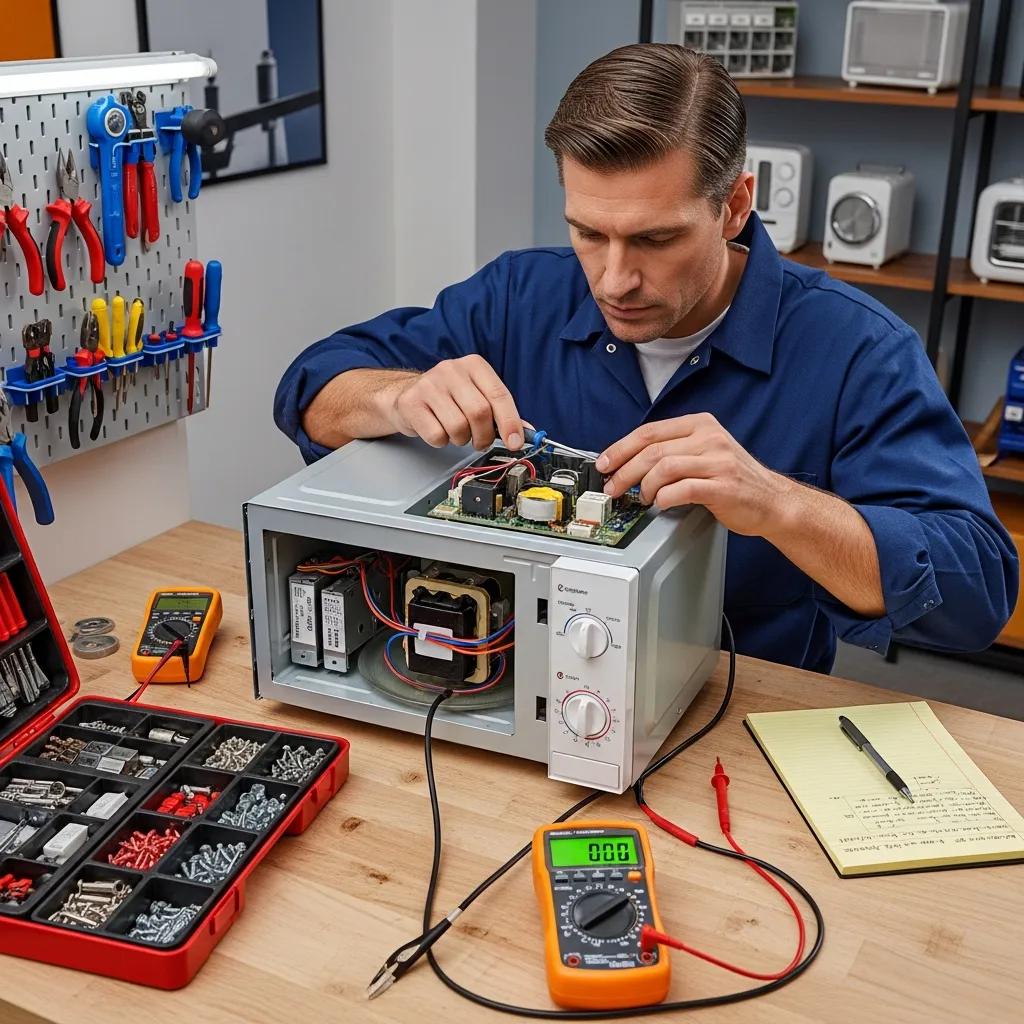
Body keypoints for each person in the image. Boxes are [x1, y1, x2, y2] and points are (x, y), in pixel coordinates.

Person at [274, 44, 1018, 674]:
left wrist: (777, 503)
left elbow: (977, 592)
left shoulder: (858, 349)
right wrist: (395, 397)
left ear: (734, 206)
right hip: (506, 689)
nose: (613, 278)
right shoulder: (514, 297)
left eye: (656, 240)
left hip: (730, 722)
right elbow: (312, 386)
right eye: (588, 232)